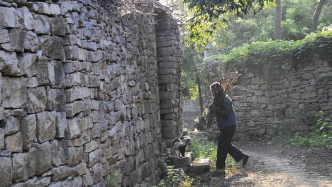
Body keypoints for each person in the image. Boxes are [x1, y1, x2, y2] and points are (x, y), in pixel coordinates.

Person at [209, 82, 249, 170]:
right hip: (224, 126)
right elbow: (214, 108)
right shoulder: (218, 100)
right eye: (211, 91)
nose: (212, 92)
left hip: (229, 125)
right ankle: (242, 157)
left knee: (222, 146)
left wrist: (218, 111)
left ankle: (220, 167)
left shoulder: (226, 99)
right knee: (225, 145)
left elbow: (226, 113)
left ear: (217, 89)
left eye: (213, 90)